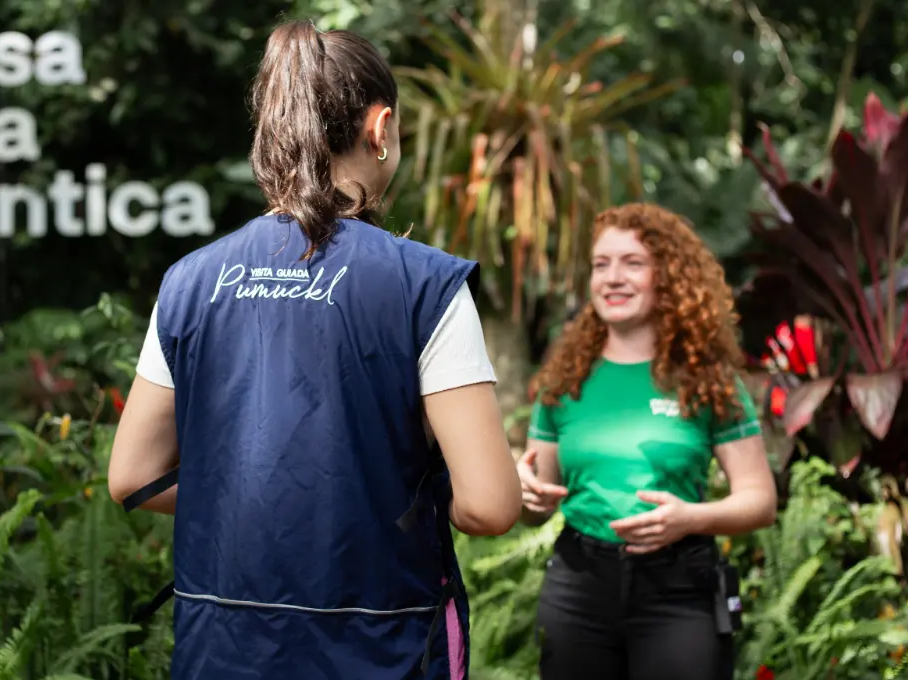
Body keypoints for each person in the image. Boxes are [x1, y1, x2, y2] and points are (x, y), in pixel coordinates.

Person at [107, 19, 521, 680]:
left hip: (223, 649)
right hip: (383, 647)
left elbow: (132, 477)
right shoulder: (425, 285)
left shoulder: (189, 281)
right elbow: (490, 506)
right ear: (381, 129)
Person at [517, 203, 777, 680]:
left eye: (632, 263)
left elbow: (760, 501)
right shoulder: (564, 379)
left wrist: (691, 519)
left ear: (668, 276)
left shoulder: (706, 379)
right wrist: (525, 492)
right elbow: (536, 504)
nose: (613, 278)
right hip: (578, 588)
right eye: (601, 264)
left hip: (679, 588)